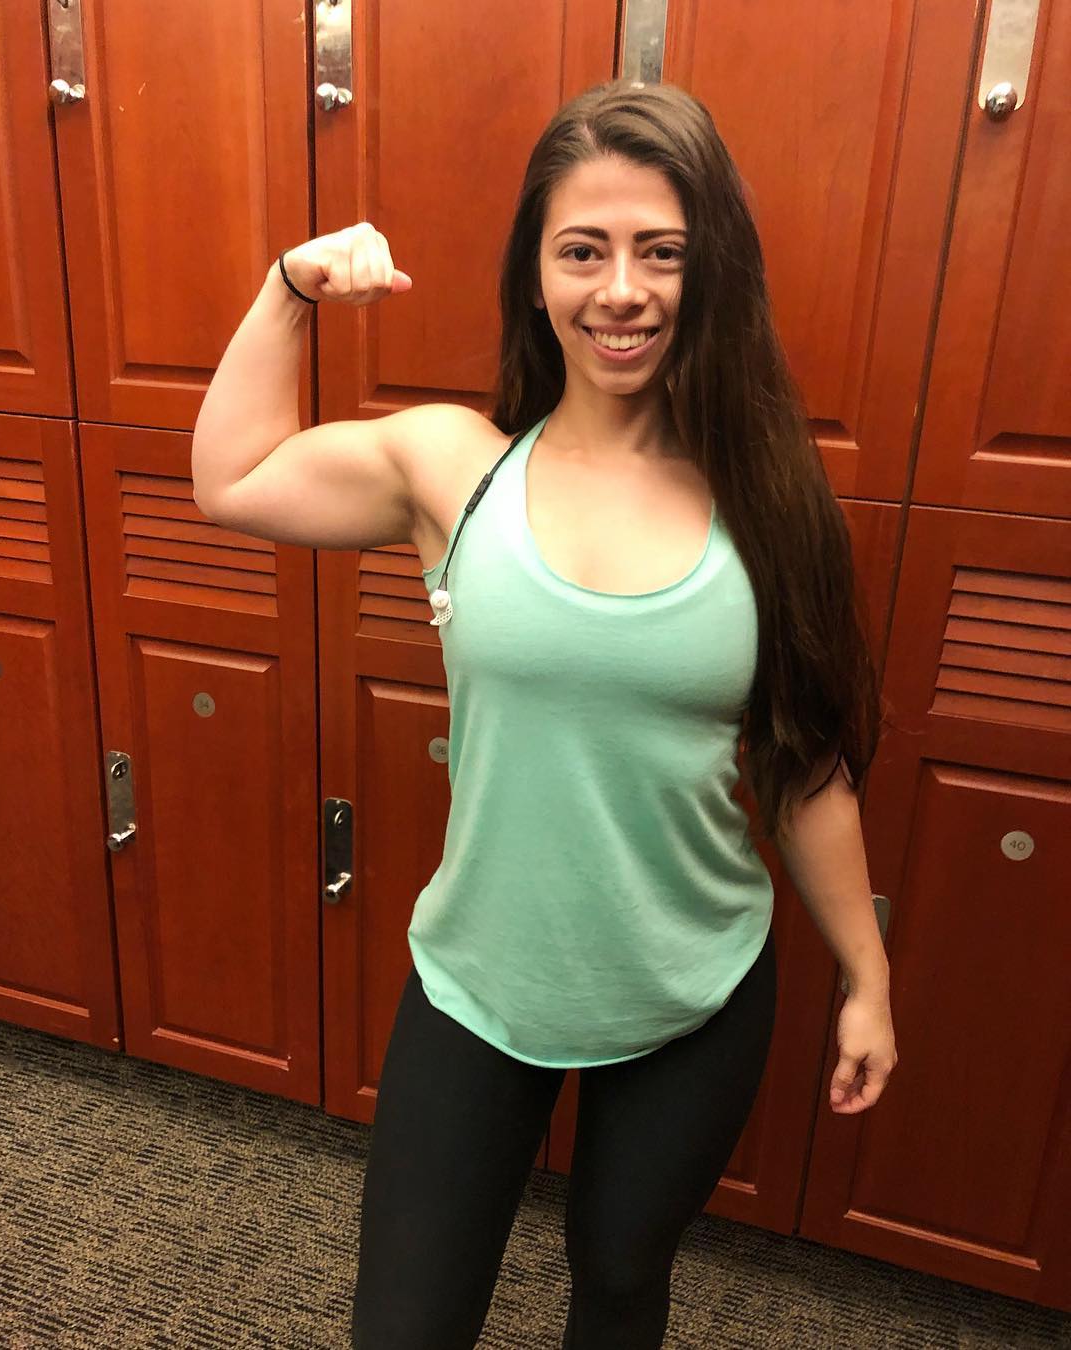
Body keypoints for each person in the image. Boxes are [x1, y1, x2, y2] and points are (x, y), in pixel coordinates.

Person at [192, 78, 898, 1350]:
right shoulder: (452, 468)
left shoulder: (771, 502)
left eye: (661, 251)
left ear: (711, 270)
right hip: (481, 978)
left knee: (620, 1282)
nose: (621, 289)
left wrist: (868, 974)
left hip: (693, 983)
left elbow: (803, 771)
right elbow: (232, 479)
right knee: (406, 1326)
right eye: (584, 250)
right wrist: (290, 288)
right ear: (535, 274)